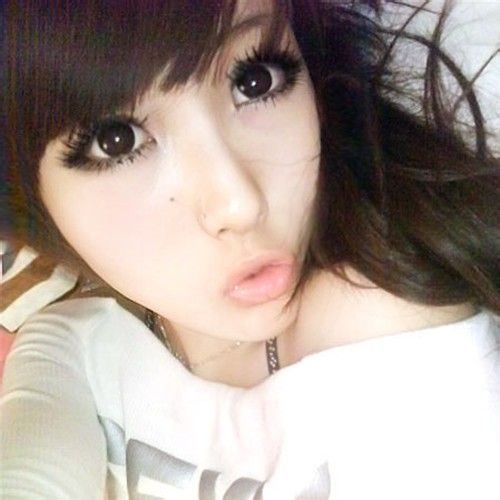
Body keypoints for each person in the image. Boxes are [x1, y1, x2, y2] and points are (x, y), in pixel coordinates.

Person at [1, 0, 499, 498]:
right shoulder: (75, 343)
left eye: (256, 80)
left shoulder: (379, 323)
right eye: (117, 141)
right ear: (31, 196)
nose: (239, 204)